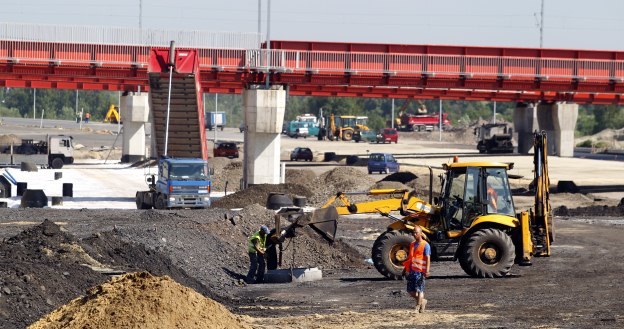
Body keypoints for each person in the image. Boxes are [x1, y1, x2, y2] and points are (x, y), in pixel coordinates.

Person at [403, 226, 431, 313]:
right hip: (411, 270)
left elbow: (428, 258)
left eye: (416, 233)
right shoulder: (412, 244)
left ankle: (417, 307)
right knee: (410, 291)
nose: (414, 234)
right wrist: (405, 269)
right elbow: (410, 258)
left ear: (420, 233)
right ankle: (423, 301)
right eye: (413, 233)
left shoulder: (425, 245)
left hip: (420, 271)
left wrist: (427, 270)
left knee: (420, 290)